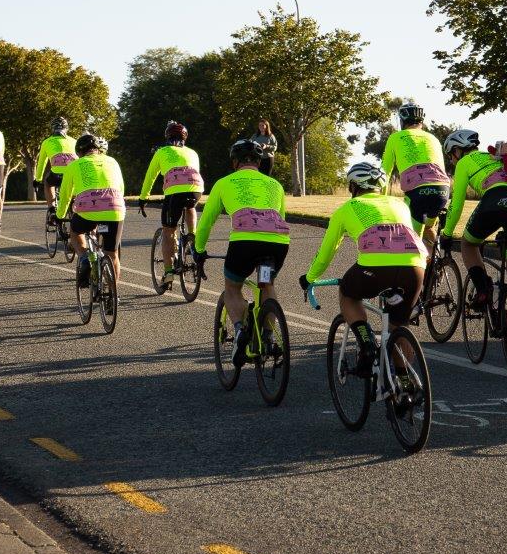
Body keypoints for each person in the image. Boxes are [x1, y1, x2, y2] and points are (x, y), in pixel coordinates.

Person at [299, 162, 426, 376]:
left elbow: (326, 254)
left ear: (353, 187)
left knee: (348, 295)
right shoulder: (400, 205)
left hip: (375, 268)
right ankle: (405, 382)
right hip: (415, 266)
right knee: (399, 325)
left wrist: (310, 277)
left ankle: (366, 343)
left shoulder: (346, 209)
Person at [438, 129, 507, 352]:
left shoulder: (464, 163)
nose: (452, 161)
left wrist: (447, 233)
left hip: (496, 200)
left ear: (457, 150)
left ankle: (484, 290)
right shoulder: (498, 157)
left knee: (469, 244)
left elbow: (456, 204)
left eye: (451, 156)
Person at [193, 139, 289, 365]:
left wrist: (199, 250)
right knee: (266, 284)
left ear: (235, 162)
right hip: (277, 243)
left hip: (244, 243)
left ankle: (239, 332)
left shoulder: (224, 182)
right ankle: (267, 337)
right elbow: (281, 217)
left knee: (232, 288)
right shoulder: (275, 185)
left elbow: (206, 222)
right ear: (259, 162)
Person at [138, 120, 204, 293]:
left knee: (168, 231)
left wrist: (143, 198)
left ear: (167, 136)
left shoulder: (161, 152)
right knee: (190, 206)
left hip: (175, 191)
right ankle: (192, 238)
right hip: (196, 189)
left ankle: (168, 273)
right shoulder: (192, 152)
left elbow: (150, 176)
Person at [56, 134, 126, 288]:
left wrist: (59, 216)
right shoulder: (112, 161)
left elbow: (65, 195)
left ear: (79, 152)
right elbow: (121, 188)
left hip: (87, 209)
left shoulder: (74, 165)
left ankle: (84, 257)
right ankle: (113, 295)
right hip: (114, 208)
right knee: (112, 253)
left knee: (75, 232)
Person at [380, 102, 450, 245]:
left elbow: (385, 173)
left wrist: (382, 201)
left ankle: (419, 256)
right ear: (421, 121)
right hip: (442, 191)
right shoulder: (433, 138)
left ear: (402, 121)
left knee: (412, 242)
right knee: (428, 227)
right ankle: (436, 255)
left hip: (417, 193)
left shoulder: (395, 137)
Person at [34, 117, 77, 220]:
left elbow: (41, 163)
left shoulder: (46, 142)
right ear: (66, 128)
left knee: (48, 183)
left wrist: (38, 179)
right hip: (74, 174)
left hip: (57, 175)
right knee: (73, 191)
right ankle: (74, 204)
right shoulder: (74, 141)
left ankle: (52, 209)